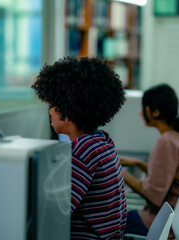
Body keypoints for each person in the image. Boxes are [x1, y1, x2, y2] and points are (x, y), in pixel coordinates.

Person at [31, 57, 127, 239]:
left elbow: (58, 210)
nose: (50, 111)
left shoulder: (83, 152)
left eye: (54, 106)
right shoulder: (101, 141)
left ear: (68, 113)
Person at [121, 84, 179, 239]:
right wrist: (138, 164)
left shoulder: (166, 142)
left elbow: (153, 195)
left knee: (111, 222)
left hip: (162, 222)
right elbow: (168, 176)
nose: (140, 113)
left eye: (144, 108)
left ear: (155, 112)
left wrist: (118, 170)